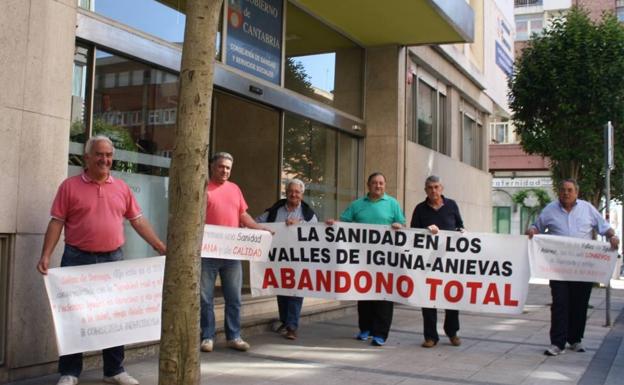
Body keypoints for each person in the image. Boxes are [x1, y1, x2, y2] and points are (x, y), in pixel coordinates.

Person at [37, 135, 166, 385]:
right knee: (74, 317)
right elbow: (57, 222)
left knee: (114, 317)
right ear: (87, 157)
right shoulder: (69, 186)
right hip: (77, 259)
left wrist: (159, 245)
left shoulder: (122, 188)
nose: (105, 159)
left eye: (108, 155)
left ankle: (114, 370)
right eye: (99, 154)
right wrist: (45, 255)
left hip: (113, 259)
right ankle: (70, 372)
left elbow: (137, 220)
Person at [527, 179, 619, 356]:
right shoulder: (550, 210)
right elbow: (537, 227)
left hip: (583, 268)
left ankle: (575, 339)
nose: (566, 193)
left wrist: (612, 237)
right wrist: (532, 230)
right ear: (559, 192)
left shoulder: (587, 209)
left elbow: (604, 227)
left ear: (576, 192)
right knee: (560, 304)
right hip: (558, 269)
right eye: (562, 190)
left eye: (569, 190)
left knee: (579, 304)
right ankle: (557, 343)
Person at [200, 152, 273, 353]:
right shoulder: (203, 188)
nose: (224, 170)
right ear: (212, 167)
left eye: (228, 168)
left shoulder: (235, 189)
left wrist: (258, 228)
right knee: (205, 298)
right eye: (221, 166)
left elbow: (243, 214)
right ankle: (207, 336)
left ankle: (234, 336)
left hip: (232, 253)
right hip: (208, 253)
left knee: (234, 298)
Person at [327, 172, 405, 346]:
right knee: (364, 293)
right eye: (375, 183)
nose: (378, 186)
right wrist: (334, 224)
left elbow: (403, 224)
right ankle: (365, 328)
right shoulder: (357, 205)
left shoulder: (392, 204)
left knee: (384, 296)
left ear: (385, 185)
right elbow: (344, 223)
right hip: (362, 259)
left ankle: (380, 334)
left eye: (381, 183)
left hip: (385, 259)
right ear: (368, 185)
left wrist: (399, 226)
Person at [256, 179, 318, 340]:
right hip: (279, 258)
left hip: (299, 260)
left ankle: (292, 326)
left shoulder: (308, 213)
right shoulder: (276, 209)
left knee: (296, 291)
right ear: (286, 192)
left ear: (302, 195)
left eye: (297, 192)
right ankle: (285, 321)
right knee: (281, 290)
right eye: (291, 191)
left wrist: (300, 224)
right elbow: (258, 222)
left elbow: (317, 232)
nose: (293, 194)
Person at [410, 175, 464, 348]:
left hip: (449, 262)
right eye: (430, 188)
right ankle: (430, 337)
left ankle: (452, 332)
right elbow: (412, 234)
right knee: (427, 299)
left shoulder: (452, 205)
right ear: (425, 190)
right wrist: (426, 231)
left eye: (436, 187)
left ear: (442, 188)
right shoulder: (420, 209)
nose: (433, 190)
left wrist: (461, 230)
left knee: (451, 298)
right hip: (427, 263)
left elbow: (460, 226)